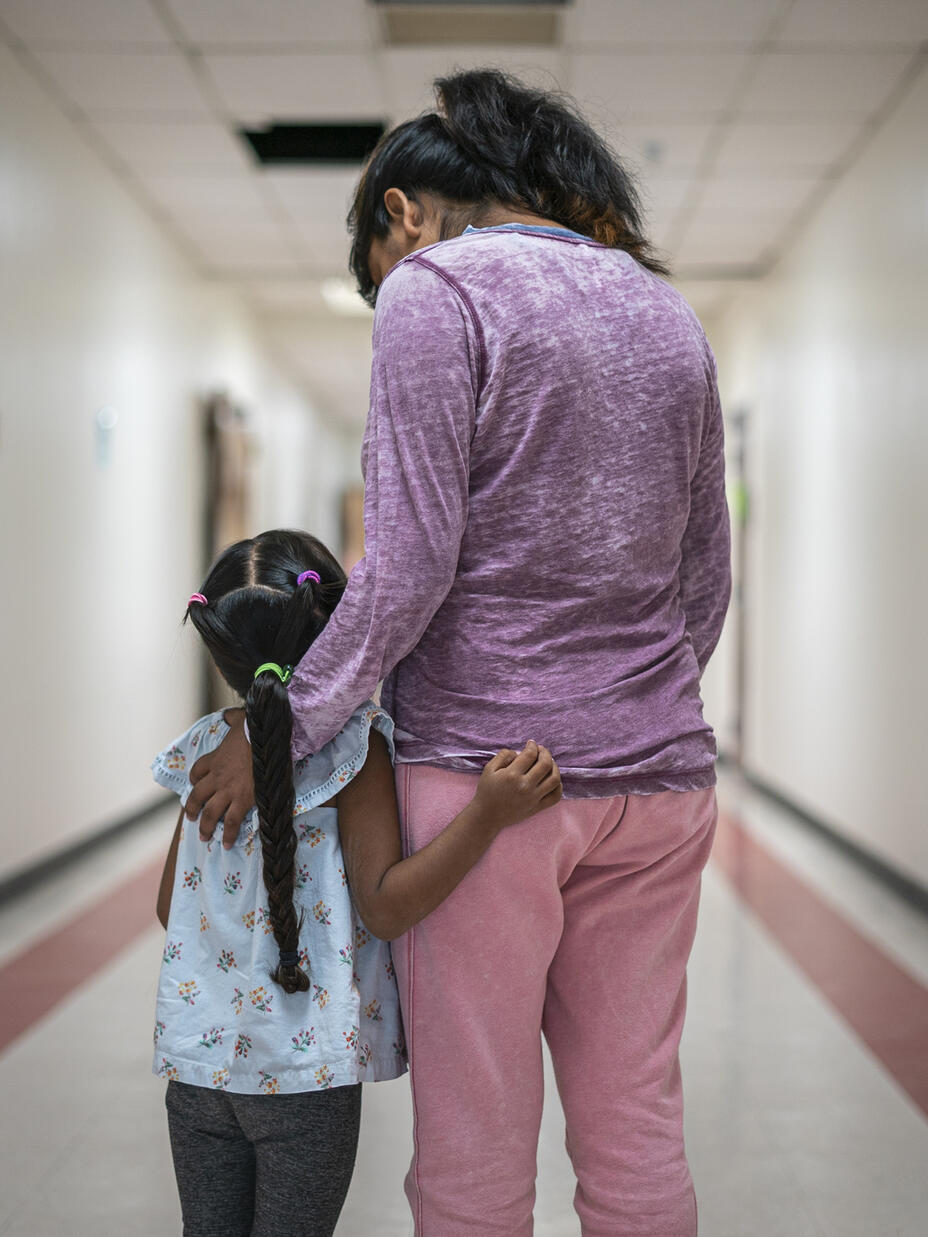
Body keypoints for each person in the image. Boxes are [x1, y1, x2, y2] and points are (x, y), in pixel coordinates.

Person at [184, 69, 731, 1237]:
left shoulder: (437, 290)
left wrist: (281, 723)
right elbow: (704, 579)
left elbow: (411, 562)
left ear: (402, 214)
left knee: (476, 1146)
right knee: (636, 1124)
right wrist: (629, 703)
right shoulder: (663, 309)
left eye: (375, 268)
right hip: (663, 782)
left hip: (486, 782)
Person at [152, 528, 562, 1237]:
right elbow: (384, 905)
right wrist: (487, 815)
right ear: (338, 632)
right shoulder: (355, 749)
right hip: (305, 1075)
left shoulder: (206, 750)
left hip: (196, 1069)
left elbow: (170, 907)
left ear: (219, 652)